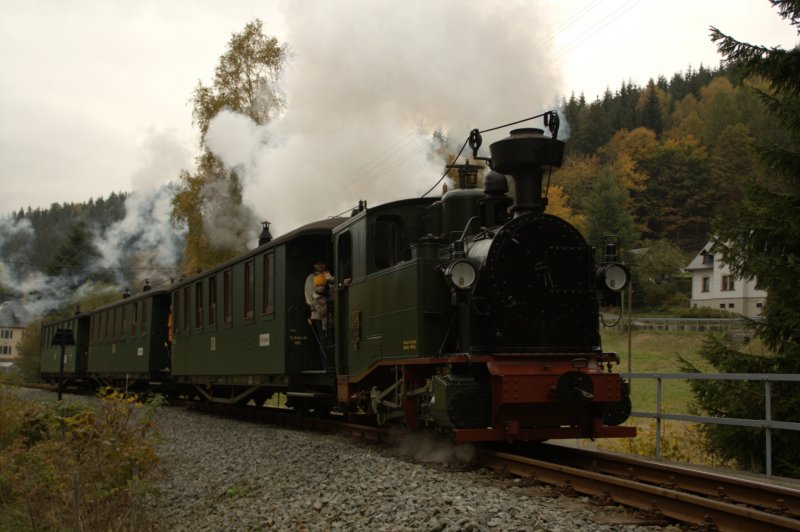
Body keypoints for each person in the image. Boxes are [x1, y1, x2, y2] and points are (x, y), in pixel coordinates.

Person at [305, 260, 334, 365]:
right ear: (314, 265)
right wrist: (318, 305)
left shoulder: (327, 275)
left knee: (329, 338)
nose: (321, 265)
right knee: (323, 339)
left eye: (323, 263)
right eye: (318, 263)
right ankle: (325, 364)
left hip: (329, 313)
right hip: (318, 313)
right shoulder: (310, 278)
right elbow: (309, 297)